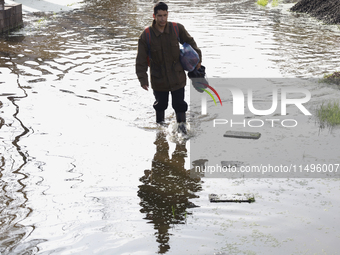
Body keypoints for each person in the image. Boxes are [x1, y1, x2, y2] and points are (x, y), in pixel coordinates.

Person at [135, 2, 202, 134]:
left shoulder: (177, 28)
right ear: (154, 16)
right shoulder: (146, 35)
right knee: (160, 105)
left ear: (168, 14)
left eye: (165, 15)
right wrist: (143, 79)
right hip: (158, 79)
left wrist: (197, 60)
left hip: (177, 76)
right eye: (159, 16)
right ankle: (160, 133)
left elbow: (190, 43)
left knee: (180, 105)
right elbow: (141, 60)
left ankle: (182, 132)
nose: (163, 19)